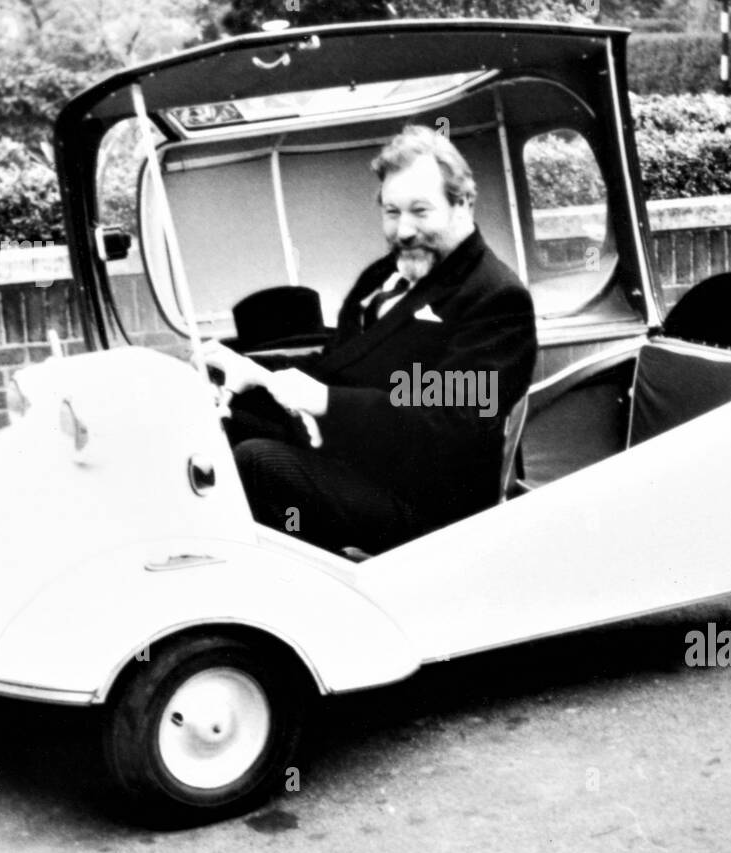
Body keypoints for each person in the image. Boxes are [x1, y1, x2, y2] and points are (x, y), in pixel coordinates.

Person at [201, 125, 537, 555]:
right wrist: (252, 371)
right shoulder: (382, 276)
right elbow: (334, 364)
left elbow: (447, 424)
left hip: (427, 508)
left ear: (464, 205)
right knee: (225, 425)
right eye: (392, 212)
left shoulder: (493, 299)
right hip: (363, 463)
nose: (403, 231)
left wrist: (327, 403)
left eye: (420, 211)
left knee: (258, 462)